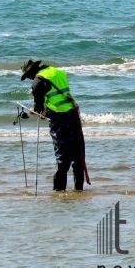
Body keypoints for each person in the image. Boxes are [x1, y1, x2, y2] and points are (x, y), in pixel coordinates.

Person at [20, 59, 90, 191]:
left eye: (28, 76)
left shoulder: (37, 82)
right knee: (78, 156)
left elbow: (39, 109)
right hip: (73, 115)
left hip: (59, 120)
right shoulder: (56, 72)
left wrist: (33, 111)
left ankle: (59, 192)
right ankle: (79, 191)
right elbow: (58, 96)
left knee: (62, 159)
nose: (30, 79)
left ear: (31, 71)